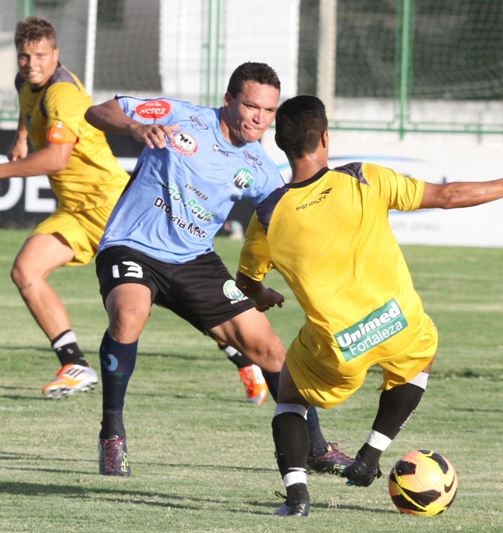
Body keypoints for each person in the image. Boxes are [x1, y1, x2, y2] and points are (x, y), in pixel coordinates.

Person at [235, 94, 503, 516]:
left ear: (280, 143)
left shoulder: (269, 214)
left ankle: (296, 498)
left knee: (291, 397)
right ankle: (370, 453)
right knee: (421, 356)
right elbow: (448, 196)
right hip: (396, 324)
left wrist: (264, 296)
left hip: (339, 345)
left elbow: (246, 285)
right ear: (325, 137)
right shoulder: (363, 177)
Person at [84, 63, 352, 477]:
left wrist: (260, 286)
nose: (260, 118)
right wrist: (137, 129)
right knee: (129, 314)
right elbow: (98, 111)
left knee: (271, 351)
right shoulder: (181, 117)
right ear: (228, 101)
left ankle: (316, 447)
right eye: (250, 106)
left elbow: (281, 226)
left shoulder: (260, 166)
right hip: (133, 246)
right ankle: (112, 434)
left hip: (195, 261)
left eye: (268, 110)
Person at [0, 16, 129, 399]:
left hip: (112, 207)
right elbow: (27, 110)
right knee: (25, 270)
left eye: (40, 55)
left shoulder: (63, 95)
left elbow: (57, 159)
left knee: (164, 294)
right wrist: (21, 137)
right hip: (75, 209)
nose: (32, 63)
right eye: (24, 56)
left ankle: (245, 358)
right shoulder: (25, 82)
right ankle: (74, 364)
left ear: (55, 55)